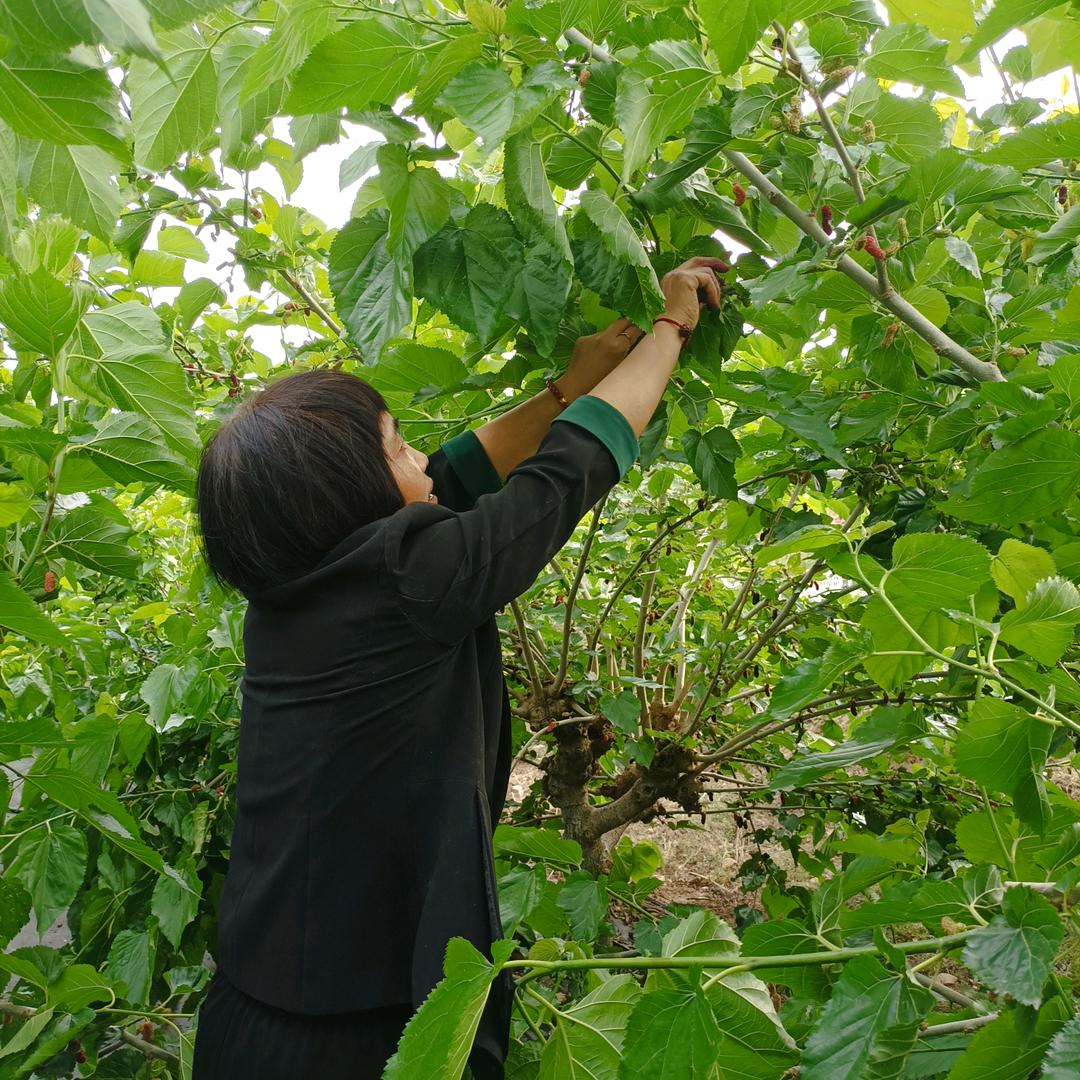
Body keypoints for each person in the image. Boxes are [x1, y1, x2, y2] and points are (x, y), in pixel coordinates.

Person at [189, 255, 725, 1079]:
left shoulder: (297, 594)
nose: (422, 464)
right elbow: (565, 473)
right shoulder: (405, 579)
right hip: (358, 1040)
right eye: (398, 447)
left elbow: (450, 477)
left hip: (251, 1013)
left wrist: (560, 389)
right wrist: (672, 327)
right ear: (358, 502)